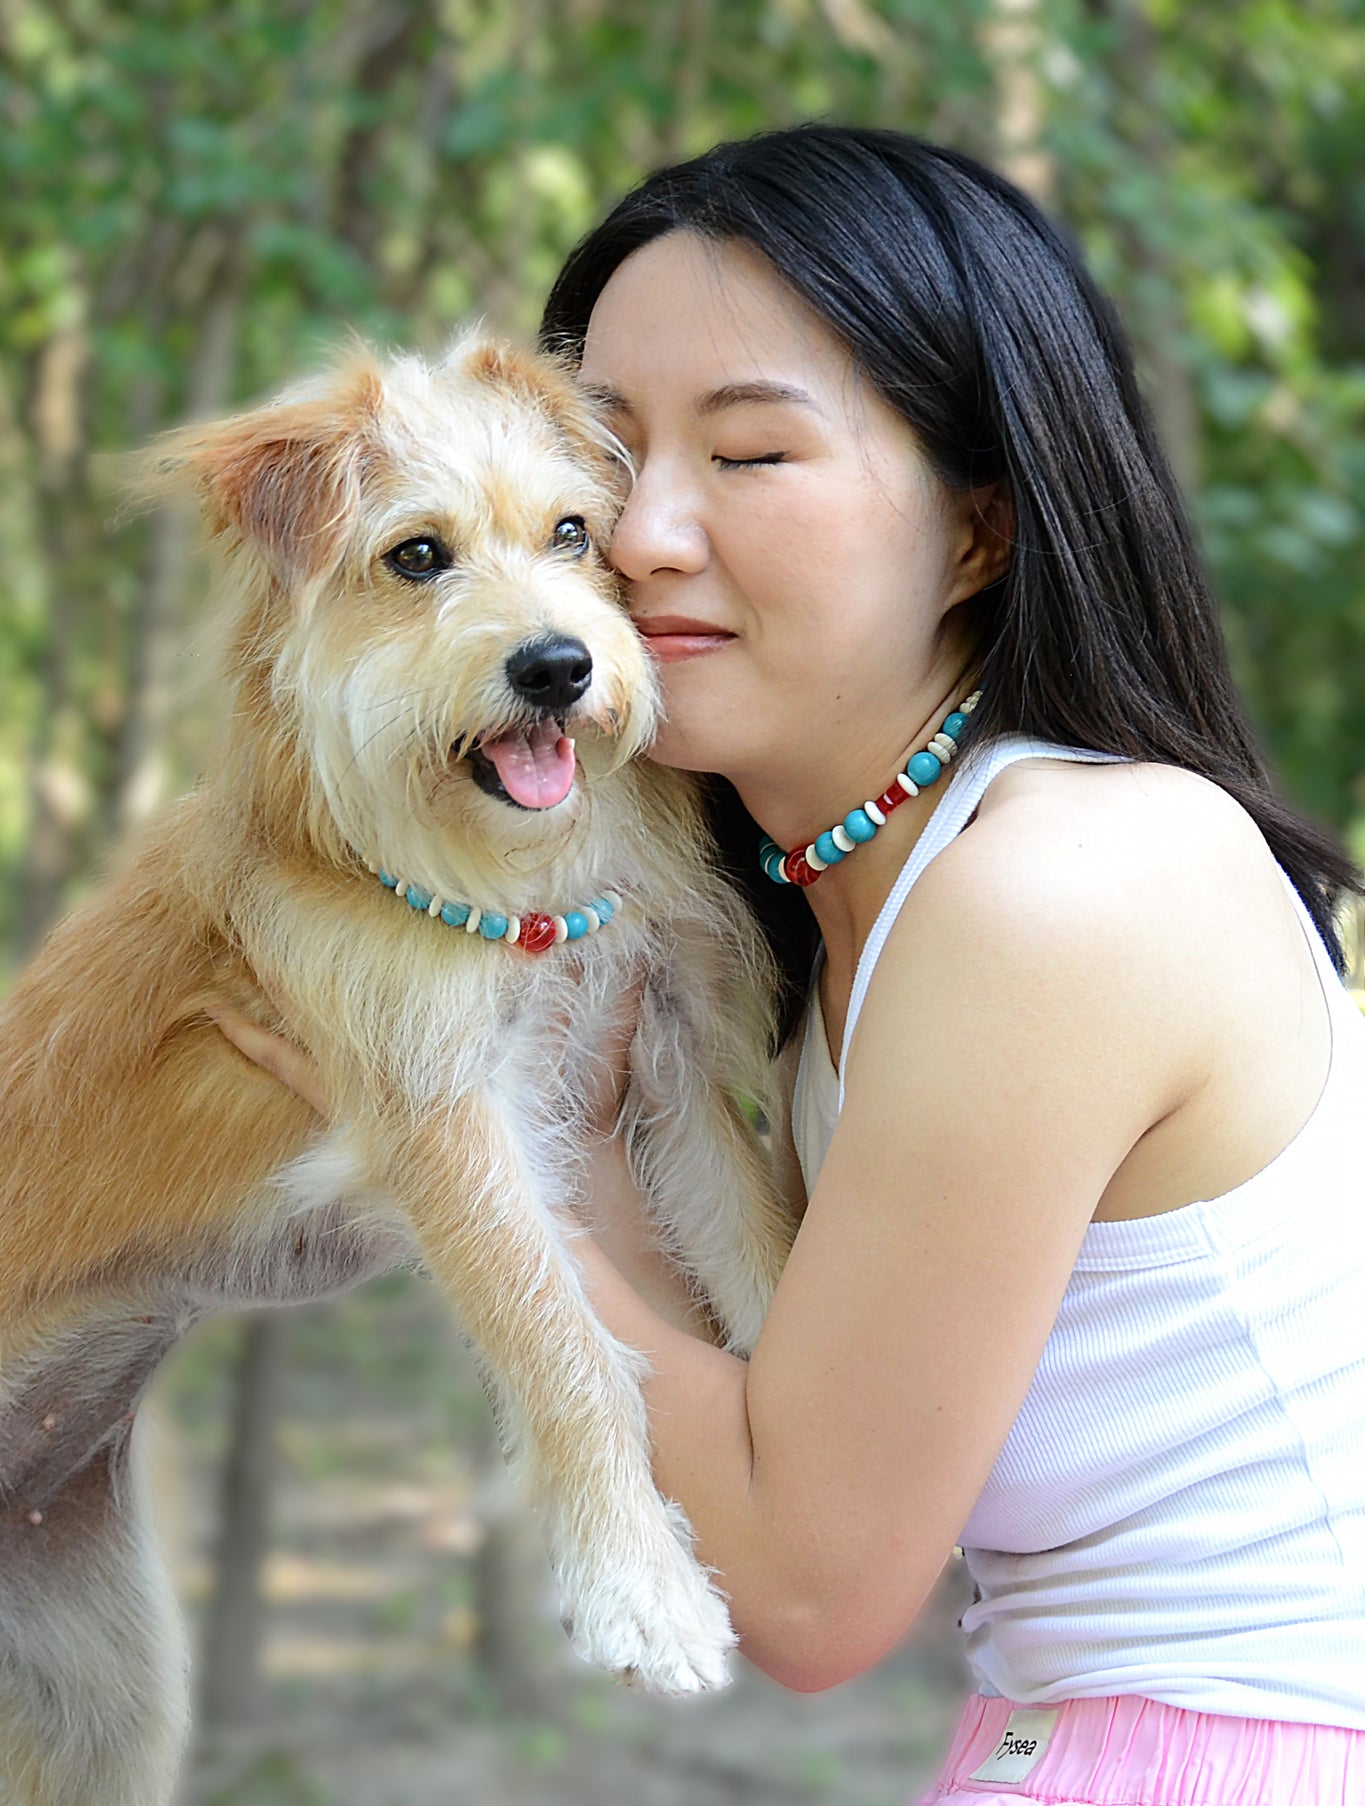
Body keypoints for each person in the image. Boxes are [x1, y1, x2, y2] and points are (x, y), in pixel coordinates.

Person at [217, 126, 1365, 1805]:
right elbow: (754, 1430)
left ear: (977, 529)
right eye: (597, 463)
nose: (643, 535)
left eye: (750, 455)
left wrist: (467, 1147)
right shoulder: (841, 905)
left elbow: (809, 1584)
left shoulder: (1050, 892)